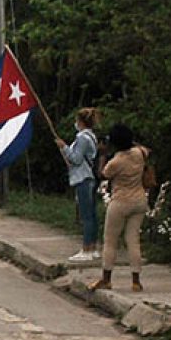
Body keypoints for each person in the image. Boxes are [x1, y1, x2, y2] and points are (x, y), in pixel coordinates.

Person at [89, 124, 149, 292]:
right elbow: (144, 149)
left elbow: (102, 174)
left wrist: (102, 154)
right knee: (133, 240)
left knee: (110, 241)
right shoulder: (140, 153)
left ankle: (106, 279)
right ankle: (136, 281)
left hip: (120, 201)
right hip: (139, 200)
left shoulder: (116, 161)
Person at [56, 108, 101, 262]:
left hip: (83, 178)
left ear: (81, 122)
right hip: (89, 177)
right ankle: (93, 247)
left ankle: (87, 248)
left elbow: (76, 159)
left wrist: (64, 147)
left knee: (86, 215)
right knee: (92, 214)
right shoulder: (92, 137)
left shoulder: (82, 138)